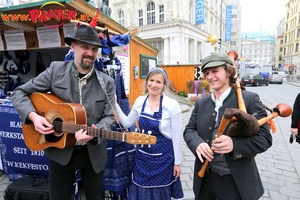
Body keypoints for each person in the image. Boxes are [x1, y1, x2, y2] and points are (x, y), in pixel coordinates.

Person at [11, 24, 116, 200]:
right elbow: (19, 93)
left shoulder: (107, 82)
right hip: (60, 151)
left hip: (93, 154)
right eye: (84, 47)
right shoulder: (55, 71)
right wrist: (33, 117)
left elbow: (110, 116)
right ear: (73, 47)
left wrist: (95, 131)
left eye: (94, 49)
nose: (90, 53)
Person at [183, 53, 272, 200]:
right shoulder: (201, 103)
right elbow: (189, 130)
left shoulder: (248, 99)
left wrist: (234, 144)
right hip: (204, 178)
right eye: (207, 73)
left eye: (215, 71)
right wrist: (197, 144)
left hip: (235, 182)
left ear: (229, 71)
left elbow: (265, 138)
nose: (210, 77)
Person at [115, 67, 184, 200]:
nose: (154, 84)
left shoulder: (172, 105)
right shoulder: (140, 102)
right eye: (151, 80)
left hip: (164, 160)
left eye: (158, 82)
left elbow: (176, 137)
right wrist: (115, 104)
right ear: (146, 82)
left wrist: (177, 163)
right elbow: (127, 123)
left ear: (164, 85)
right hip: (142, 159)